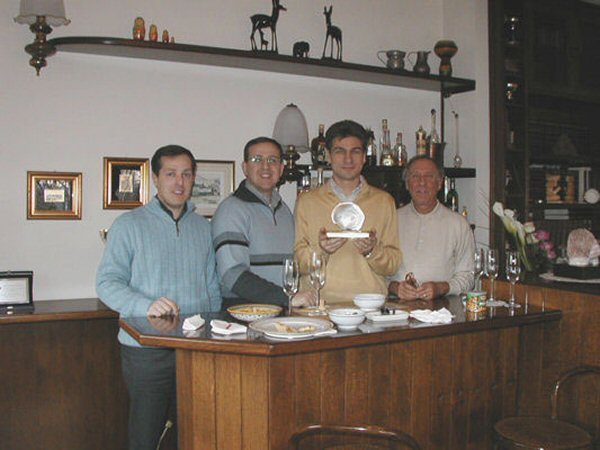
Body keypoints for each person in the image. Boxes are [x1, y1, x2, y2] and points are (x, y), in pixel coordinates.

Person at [96, 145, 221, 450]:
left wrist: (216, 333)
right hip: (146, 351)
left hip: (196, 348)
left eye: (187, 174)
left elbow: (212, 287)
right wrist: (145, 306)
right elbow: (107, 283)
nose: (180, 182)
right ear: (155, 178)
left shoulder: (202, 228)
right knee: (147, 434)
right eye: (171, 174)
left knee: (192, 432)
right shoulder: (128, 225)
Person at [295, 120, 401, 304]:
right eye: (340, 151)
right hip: (319, 306)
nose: (348, 159)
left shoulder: (384, 202)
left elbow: (393, 264)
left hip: (370, 306)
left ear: (364, 157)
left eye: (355, 151)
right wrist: (321, 250)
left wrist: (372, 251)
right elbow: (299, 264)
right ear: (328, 156)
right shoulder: (307, 201)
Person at [211, 136, 315, 309]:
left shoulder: (284, 210)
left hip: (280, 310)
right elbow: (232, 274)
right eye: (257, 160)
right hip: (243, 312)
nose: (265, 166)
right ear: (245, 167)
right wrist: (286, 298)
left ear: (281, 168)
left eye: (272, 160)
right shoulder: (231, 210)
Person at [388, 155, 475, 301]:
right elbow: (376, 271)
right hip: (397, 306)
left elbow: (468, 277)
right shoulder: (391, 220)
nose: (422, 182)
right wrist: (394, 287)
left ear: (439, 183)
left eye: (429, 176)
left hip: (443, 308)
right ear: (407, 184)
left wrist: (441, 288)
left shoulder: (458, 224)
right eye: (415, 176)